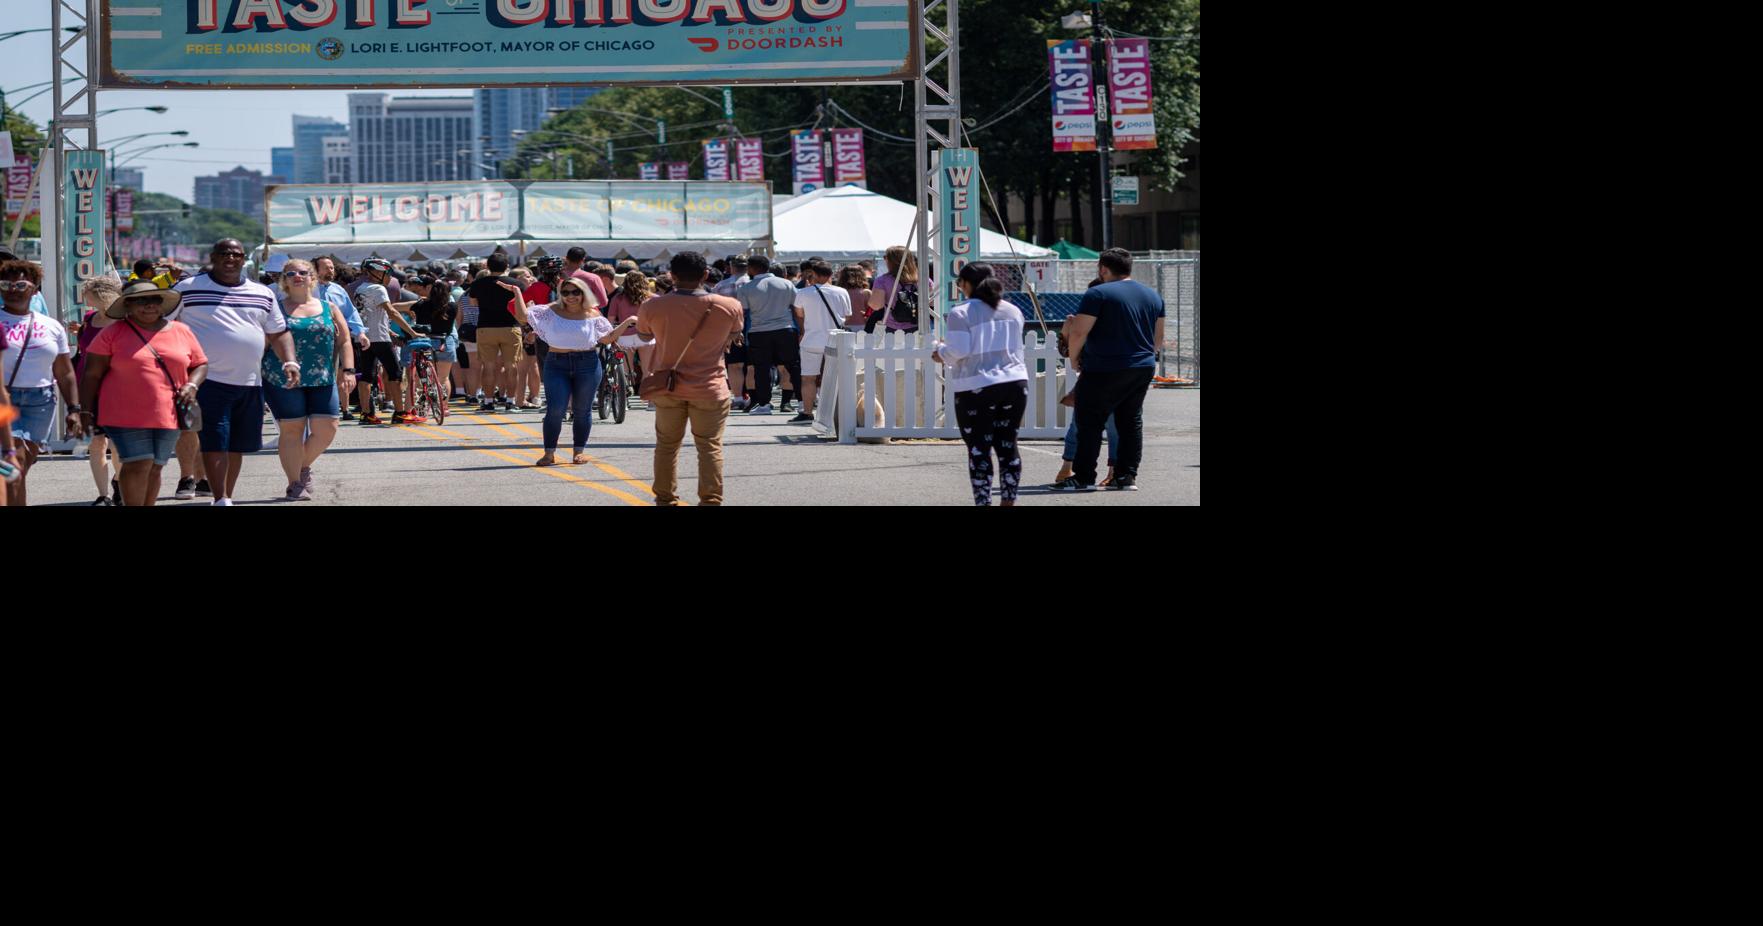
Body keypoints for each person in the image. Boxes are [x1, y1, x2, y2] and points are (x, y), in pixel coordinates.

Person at [171, 239, 300, 506]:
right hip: (206, 381)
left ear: (244, 259)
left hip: (250, 382)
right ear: (213, 257)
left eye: (236, 254)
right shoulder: (186, 289)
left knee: (237, 444)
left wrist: (290, 362)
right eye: (224, 253)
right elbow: (163, 326)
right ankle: (220, 498)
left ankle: (225, 495)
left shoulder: (261, 292)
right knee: (215, 440)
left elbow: (278, 332)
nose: (231, 258)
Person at [78, 280, 208, 507]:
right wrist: (85, 411)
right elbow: (91, 375)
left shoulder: (181, 331)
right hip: (123, 413)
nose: (149, 305)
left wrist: (192, 385)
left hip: (169, 412)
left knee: (156, 466)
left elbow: (200, 364)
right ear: (128, 305)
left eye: (155, 300)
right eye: (141, 300)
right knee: (138, 463)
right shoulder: (112, 333)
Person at [637, 251, 743, 506]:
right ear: (705, 274)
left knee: (666, 446)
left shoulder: (652, 305)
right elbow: (735, 334)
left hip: (668, 386)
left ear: (672, 276)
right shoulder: (729, 306)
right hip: (710, 386)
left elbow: (642, 336)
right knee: (709, 447)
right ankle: (711, 500)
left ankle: (665, 498)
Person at [1058, 248, 1165, 493]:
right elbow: (1157, 338)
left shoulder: (1097, 293)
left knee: (1089, 420)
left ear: (1103, 269)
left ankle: (1084, 476)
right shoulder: (1152, 296)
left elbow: (1078, 331)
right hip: (1142, 365)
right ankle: (1126, 476)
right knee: (1131, 420)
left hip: (1104, 366)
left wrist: (1074, 359)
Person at [504, 273, 635, 467]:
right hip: (557, 363)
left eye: (575, 292)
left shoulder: (593, 314)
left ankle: (579, 452)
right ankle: (549, 453)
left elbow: (607, 338)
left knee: (582, 410)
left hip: (587, 364)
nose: (570, 296)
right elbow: (523, 317)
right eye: (565, 292)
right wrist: (517, 292)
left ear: (584, 293)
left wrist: (628, 321)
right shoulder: (550, 310)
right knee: (555, 410)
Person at [933, 264, 1029, 507]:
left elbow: (959, 350)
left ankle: (983, 501)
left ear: (966, 284)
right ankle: (1009, 499)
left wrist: (939, 350)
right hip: (1015, 382)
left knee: (979, 448)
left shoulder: (961, 312)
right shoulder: (1013, 310)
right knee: (1008, 445)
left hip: (977, 385)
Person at [265, 259, 355, 502]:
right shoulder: (275, 309)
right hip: (282, 378)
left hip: (322, 378)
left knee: (328, 428)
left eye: (303, 272)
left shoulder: (329, 307)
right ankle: (295, 482)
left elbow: (344, 340)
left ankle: (301, 467)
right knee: (292, 430)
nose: (297, 276)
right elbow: (264, 343)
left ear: (312, 277)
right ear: (283, 280)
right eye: (290, 273)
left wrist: (347, 370)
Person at [1, 259, 83, 506]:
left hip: (41, 402)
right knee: (12, 465)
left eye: (21, 284)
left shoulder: (51, 326)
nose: (13, 290)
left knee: (22, 467)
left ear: (35, 288)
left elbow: (65, 371)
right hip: (4, 398)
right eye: (6, 284)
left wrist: (74, 409)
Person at [74, 276, 126, 505]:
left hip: (117, 389)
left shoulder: (123, 321)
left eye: (88, 293)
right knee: (96, 443)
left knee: (116, 446)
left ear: (101, 295)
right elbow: (81, 349)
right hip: (88, 389)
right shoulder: (88, 318)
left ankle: (120, 481)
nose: (85, 297)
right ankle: (102, 494)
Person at [350, 258, 421, 425]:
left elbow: (371, 316)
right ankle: (400, 412)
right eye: (387, 273)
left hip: (365, 337)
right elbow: (392, 313)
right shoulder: (378, 288)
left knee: (367, 376)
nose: (389, 277)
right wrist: (412, 332)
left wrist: (390, 332)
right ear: (376, 273)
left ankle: (366, 414)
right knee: (395, 373)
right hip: (380, 339)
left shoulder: (360, 289)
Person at [736, 254, 800, 416]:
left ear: (752, 268)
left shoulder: (746, 288)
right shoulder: (787, 284)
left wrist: (738, 332)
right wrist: (801, 329)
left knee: (761, 369)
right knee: (793, 365)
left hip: (759, 331)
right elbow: (797, 308)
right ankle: (801, 400)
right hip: (785, 328)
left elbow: (742, 312)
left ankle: (764, 403)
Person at [790, 259, 851, 424]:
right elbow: (847, 315)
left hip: (811, 339)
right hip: (836, 339)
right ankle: (834, 413)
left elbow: (799, 314)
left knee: (808, 378)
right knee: (836, 378)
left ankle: (807, 412)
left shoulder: (803, 293)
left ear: (814, 275)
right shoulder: (842, 292)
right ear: (831, 275)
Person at [468, 254, 523, 413]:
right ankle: (510, 402)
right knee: (511, 366)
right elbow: (522, 304)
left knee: (488, 366)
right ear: (507, 266)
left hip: (486, 326)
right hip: (510, 326)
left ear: (488, 267)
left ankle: (488, 401)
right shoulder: (516, 284)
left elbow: (473, 303)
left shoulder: (477, 284)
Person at [403, 274, 459, 409]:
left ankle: (417, 407)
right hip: (444, 342)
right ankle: (443, 407)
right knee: (444, 378)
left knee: (418, 379)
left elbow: (396, 306)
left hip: (424, 342)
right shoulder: (452, 306)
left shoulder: (420, 304)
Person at [606, 270, 653, 402]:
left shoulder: (618, 298)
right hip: (646, 336)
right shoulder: (652, 298)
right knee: (648, 370)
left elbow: (610, 320)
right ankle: (649, 400)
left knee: (625, 370)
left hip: (624, 336)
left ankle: (624, 400)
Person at [868, 245, 921, 334]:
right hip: (918, 325)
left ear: (891, 261)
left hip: (893, 327)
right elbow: (932, 301)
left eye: (885, 257)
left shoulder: (882, 280)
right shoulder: (922, 279)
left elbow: (876, 305)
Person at [836, 265, 872, 332]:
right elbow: (870, 312)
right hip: (861, 326)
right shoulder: (866, 293)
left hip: (842, 326)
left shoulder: (839, 292)